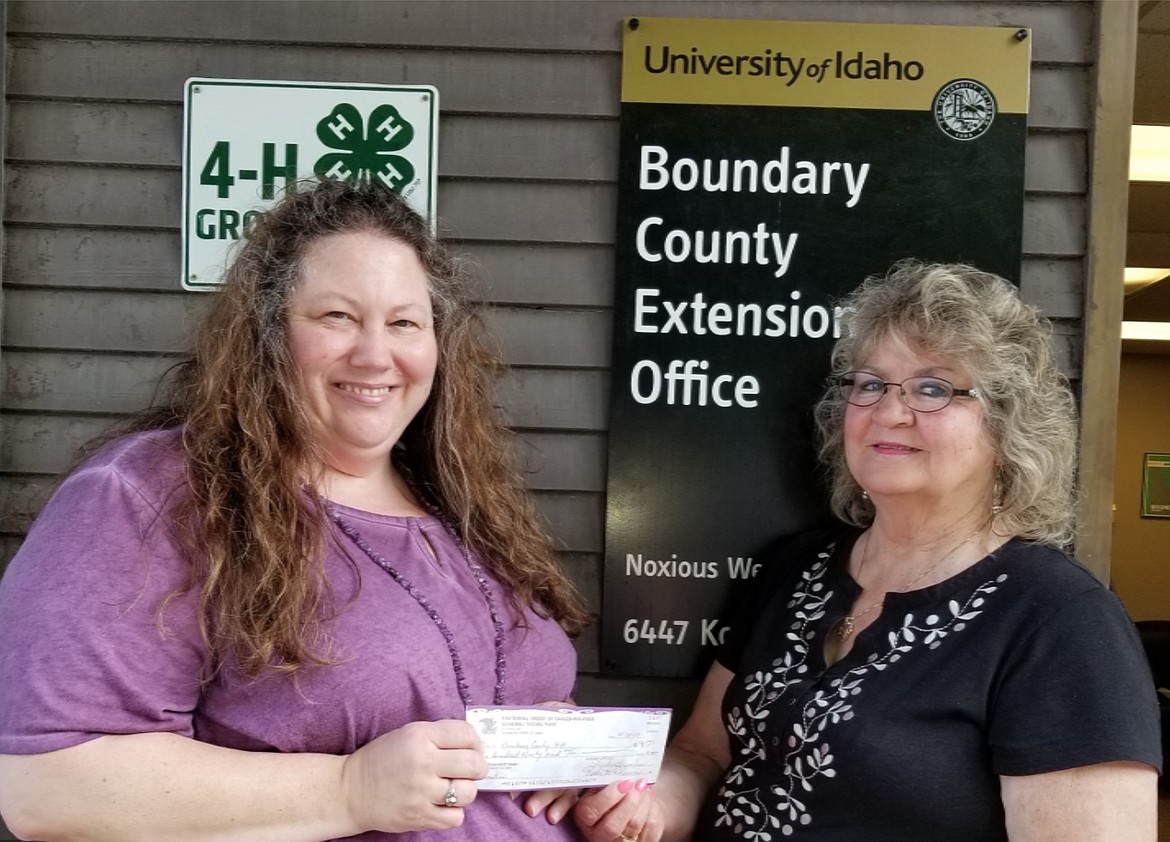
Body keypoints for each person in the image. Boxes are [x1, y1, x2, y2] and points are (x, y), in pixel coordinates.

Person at [0, 179, 596, 841]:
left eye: (404, 322)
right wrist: (348, 790)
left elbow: (467, 698)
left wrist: (560, 753)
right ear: (270, 330)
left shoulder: (458, 501)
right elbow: (46, 786)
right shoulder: (155, 495)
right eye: (338, 317)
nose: (376, 355)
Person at [573, 261, 1162, 842]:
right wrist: (645, 811)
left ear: (1009, 428)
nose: (888, 411)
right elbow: (703, 753)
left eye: (933, 388)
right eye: (871, 383)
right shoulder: (794, 569)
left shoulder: (1060, 619)